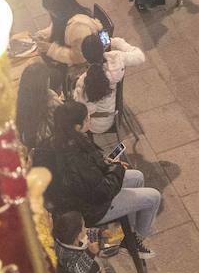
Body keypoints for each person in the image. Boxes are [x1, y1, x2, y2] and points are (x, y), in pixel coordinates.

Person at [34, 102, 159, 257]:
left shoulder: (54, 142)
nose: (90, 120)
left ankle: (130, 236)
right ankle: (138, 238)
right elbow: (103, 192)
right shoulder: (74, 158)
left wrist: (107, 164)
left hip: (74, 200)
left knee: (137, 177)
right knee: (153, 197)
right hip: (89, 209)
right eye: (87, 119)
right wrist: (117, 169)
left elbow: (91, 173)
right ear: (77, 126)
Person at [74, 31, 145, 136]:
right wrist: (115, 42)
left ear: (84, 56)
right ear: (103, 48)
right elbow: (140, 57)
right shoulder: (117, 59)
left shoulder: (83, 81)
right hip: (112, 115)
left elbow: (83, 109)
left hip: (95, 125)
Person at [15, 60, 63, 153]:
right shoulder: (51, 100)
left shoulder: (20, 100)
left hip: (28, 149)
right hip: (49, 149)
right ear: (44, 83)